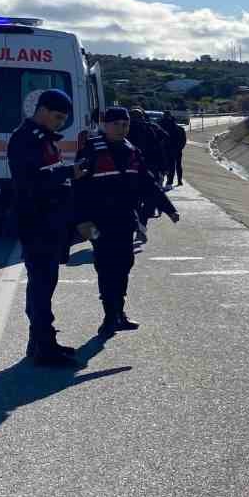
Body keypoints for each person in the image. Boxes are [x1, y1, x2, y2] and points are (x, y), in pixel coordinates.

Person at [77, 107, 180, 335]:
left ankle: (119, 313)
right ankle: (109, 316)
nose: (122, 128)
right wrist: (82, 220)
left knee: (124, 265)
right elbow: (78, 189)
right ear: (105, 125)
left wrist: (169, 209)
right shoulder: (91, 150)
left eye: (125, 124)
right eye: (117, 124)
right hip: (98, 222)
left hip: (125, 220)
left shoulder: (132, 151)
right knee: (105, 267)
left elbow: (148, 184)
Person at [7, 89, 82, 366]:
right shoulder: (25, 139)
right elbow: (31, 182)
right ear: (42, 110)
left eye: (63, 119)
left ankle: (41, 341)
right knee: (40, 286)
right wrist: (67, 172)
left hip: (50, 222)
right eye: (57, 117)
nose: (60, 123)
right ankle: (43, 347)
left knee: (45, 285)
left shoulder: (46, 140)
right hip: (36, 222)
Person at [162, 111, 188, 187]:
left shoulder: (166, 128)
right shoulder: (180, 129)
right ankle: (179, 180)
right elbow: (183, 140)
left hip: (169, 149)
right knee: (178, 165)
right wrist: (180, 148)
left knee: (170, 165)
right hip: (177, 150)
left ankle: (170, 181)